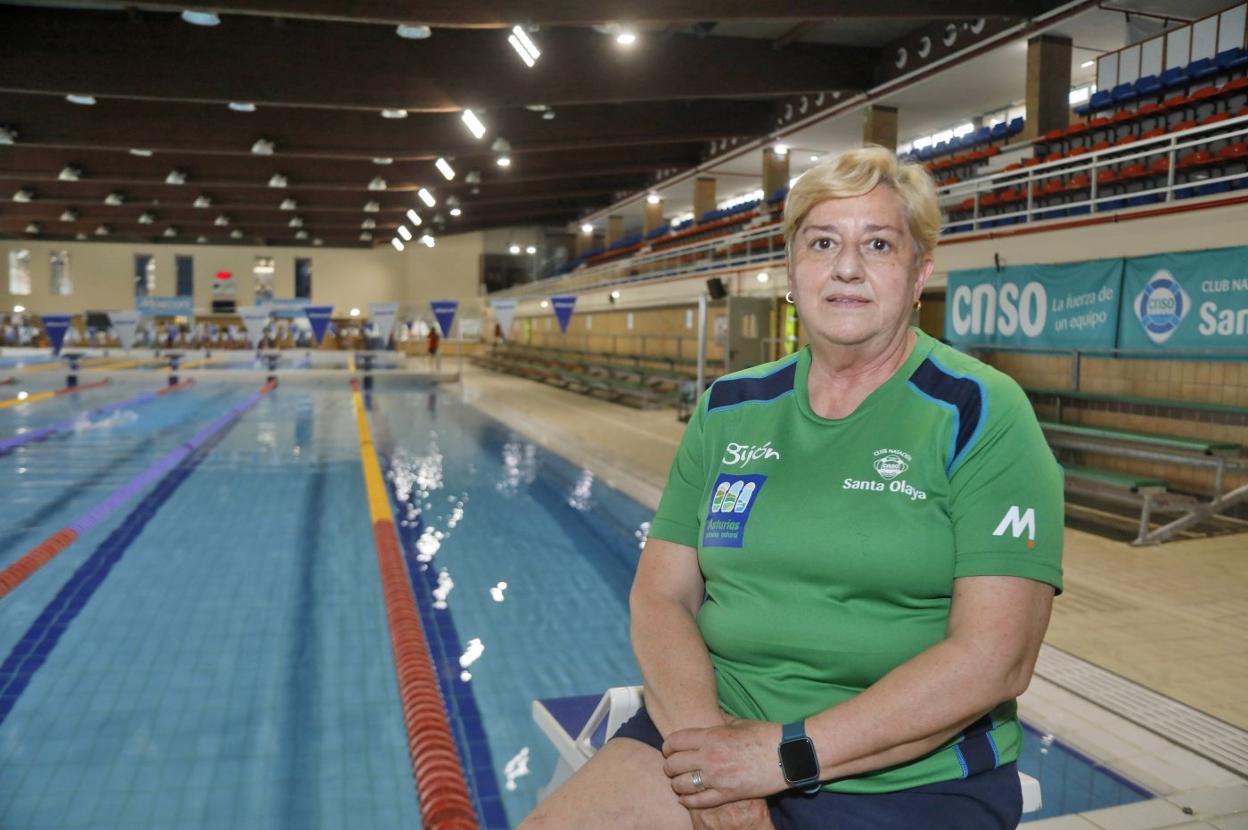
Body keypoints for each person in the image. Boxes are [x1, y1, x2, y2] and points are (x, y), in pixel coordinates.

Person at [521, 145, 1063, 830]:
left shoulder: (981, 412)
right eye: (823, 242)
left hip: (904, 777)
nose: (846, 267)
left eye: (878, 244)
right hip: (713, 734)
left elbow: (995, 659)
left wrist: (783, 757)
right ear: (791, 268)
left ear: (920, 270)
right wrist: (711, 760)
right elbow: (661, 595)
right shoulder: (729, 408)